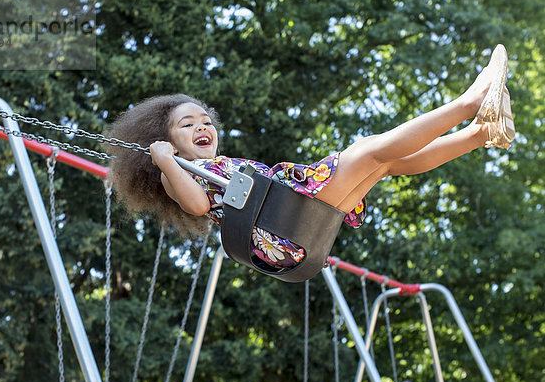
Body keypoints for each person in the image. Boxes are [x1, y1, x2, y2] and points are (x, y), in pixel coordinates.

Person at [107, 44, 515, 269]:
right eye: (187, 125)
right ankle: (472, 101)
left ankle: (482, 133)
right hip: (284, 222)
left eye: (206, 121)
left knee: (385, 162)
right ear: (166, 141)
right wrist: (163, 161)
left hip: (296, 222)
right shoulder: (174, 171)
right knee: (368, 149)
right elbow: (196, 205)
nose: (202, 128)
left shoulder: (214, 166)